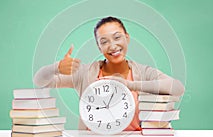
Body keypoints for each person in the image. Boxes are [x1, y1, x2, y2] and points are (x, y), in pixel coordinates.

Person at [33, 16, 185, 130]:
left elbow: (178, 88)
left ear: (127, 38)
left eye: (117, 37)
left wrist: (130, 85)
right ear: (99, 48)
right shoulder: (85, 74)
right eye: (104, 41)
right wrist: (56, 67)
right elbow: (40, 80)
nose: (112, 46)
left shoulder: (143, 72)